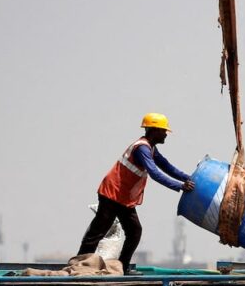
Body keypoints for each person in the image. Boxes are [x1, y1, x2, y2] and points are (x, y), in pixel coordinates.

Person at [78, 112, 194, 269]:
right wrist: (180, 186)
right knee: (98, 232)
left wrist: (189, 178)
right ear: (154, 130)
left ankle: (122, 267)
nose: (166, 134)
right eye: (163, 130)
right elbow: (155, 173)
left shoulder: (150, 149)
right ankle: (79, 266)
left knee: (134, 232)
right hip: (112, 194)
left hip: (123, 198)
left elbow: (166, 166)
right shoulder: (142, 149)